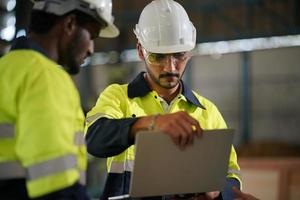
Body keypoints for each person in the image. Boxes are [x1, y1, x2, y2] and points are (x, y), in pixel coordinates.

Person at [85, 0, 241, 199]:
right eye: (158, 57)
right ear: (141, 51)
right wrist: (150, 124)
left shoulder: (207, 112)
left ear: (189, 52)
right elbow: (94, 138)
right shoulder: (119, 97)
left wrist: (217, 192)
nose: (170, 67)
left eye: (179, 55)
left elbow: (232, 174)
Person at [0, 0, 119, 199]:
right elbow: (57, 185)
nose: (91, 49)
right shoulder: (44, 77)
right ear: (70, 24)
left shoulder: (7, 68)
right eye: (92, 35)